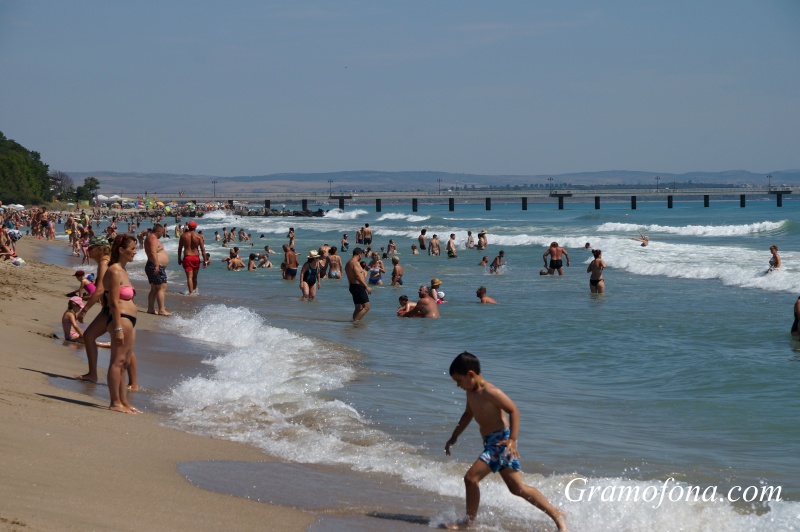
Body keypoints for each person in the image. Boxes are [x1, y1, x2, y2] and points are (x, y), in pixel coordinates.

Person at [444, 352, 567, 531]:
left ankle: (468, 523)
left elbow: (513, 410)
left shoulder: (490, 391)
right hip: (490, 442)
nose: (458, 385)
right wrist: (454, 436)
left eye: (459, 380)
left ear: (470, 374)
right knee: (518, 488)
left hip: (500, 442)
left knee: (471, 479)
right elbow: (468, 414)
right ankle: (557, 514)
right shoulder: (471, 392)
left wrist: (512, 440)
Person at [103, 234, 141, 414]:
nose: (135, 251)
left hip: (129, 321)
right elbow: (113, 302)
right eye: (132, 248)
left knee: (125, 362)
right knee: (117, 362)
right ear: (120, 250)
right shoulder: (114, 271)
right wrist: (117, 327)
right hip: (121, 320)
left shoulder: (123, 270)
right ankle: (114, 402)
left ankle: (123, 401)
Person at [145, 223, 171, 316]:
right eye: (162, 232)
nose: (162, 234)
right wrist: (156, 265)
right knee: (162, 288)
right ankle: (161, 310)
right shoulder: (152, 239)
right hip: (155, 265)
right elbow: (152, 252)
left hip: (152, 265)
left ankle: (151, 309)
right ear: (158, 231)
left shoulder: (151, 238)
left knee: (154, 289)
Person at [177, 220, 209, 294]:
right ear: (195, 227)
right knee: (195, 277)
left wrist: (179, 258)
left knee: (189, 277)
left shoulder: (183, 236)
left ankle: (191, 293)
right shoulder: (199, 236)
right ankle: (194, 292)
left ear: (188, 227)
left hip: (187, 257)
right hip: (196, 258)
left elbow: (180, 248)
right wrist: (205, 260)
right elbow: (203, 250)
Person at [345, 248, 372, 322]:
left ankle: (353, 322)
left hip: (352, 286)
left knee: (358, 307)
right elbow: (357, 276)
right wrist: (366, 286)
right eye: (362, 255)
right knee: (367, 307)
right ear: (359, 255)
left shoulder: (348, 263)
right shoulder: (355, 263)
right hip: (358, 286)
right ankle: (355, 322)